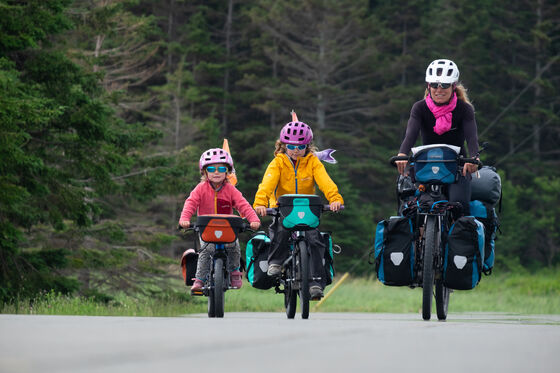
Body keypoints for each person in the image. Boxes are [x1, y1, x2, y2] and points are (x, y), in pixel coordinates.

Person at [253, 119, 344, 299]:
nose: (296, 150)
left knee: (316, 241)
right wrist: (261, 203)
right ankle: (276, 263)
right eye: (291, 145)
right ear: (283, 145)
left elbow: (325, 182)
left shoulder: (313, 162)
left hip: (307, 210)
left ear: (308, 146)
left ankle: (316, 282)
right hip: (283, 209)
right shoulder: (278, 162)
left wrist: (334, 199)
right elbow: (267, 184)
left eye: (301, 146)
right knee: (280, 231)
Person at [395, 59, 479, 216]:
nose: (439, 89)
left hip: (457, 168)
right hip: (426, 166)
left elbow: (472, 138)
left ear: (453, 86)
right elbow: (411, 134)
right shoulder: (419, 108)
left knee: (459, 206)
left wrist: (474, 157)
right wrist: (402, 154)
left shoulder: (464, 109)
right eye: (434, 85)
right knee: (414, 209)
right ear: (428, 86)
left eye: (445, 85)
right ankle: (419, 239)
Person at [179, 148, 261, 294]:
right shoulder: (200, 189)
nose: (216, 172)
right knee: (205, 251)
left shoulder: (231, 190)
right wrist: (185, 219)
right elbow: (190, 203)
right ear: (204, 172)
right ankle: (199, 280)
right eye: (211, 168)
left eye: (221, 168)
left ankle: (235, 271)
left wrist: (253, 219)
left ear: (227, 171)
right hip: (207, 230)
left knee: (234, 247)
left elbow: (243, 205)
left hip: (227, 230)